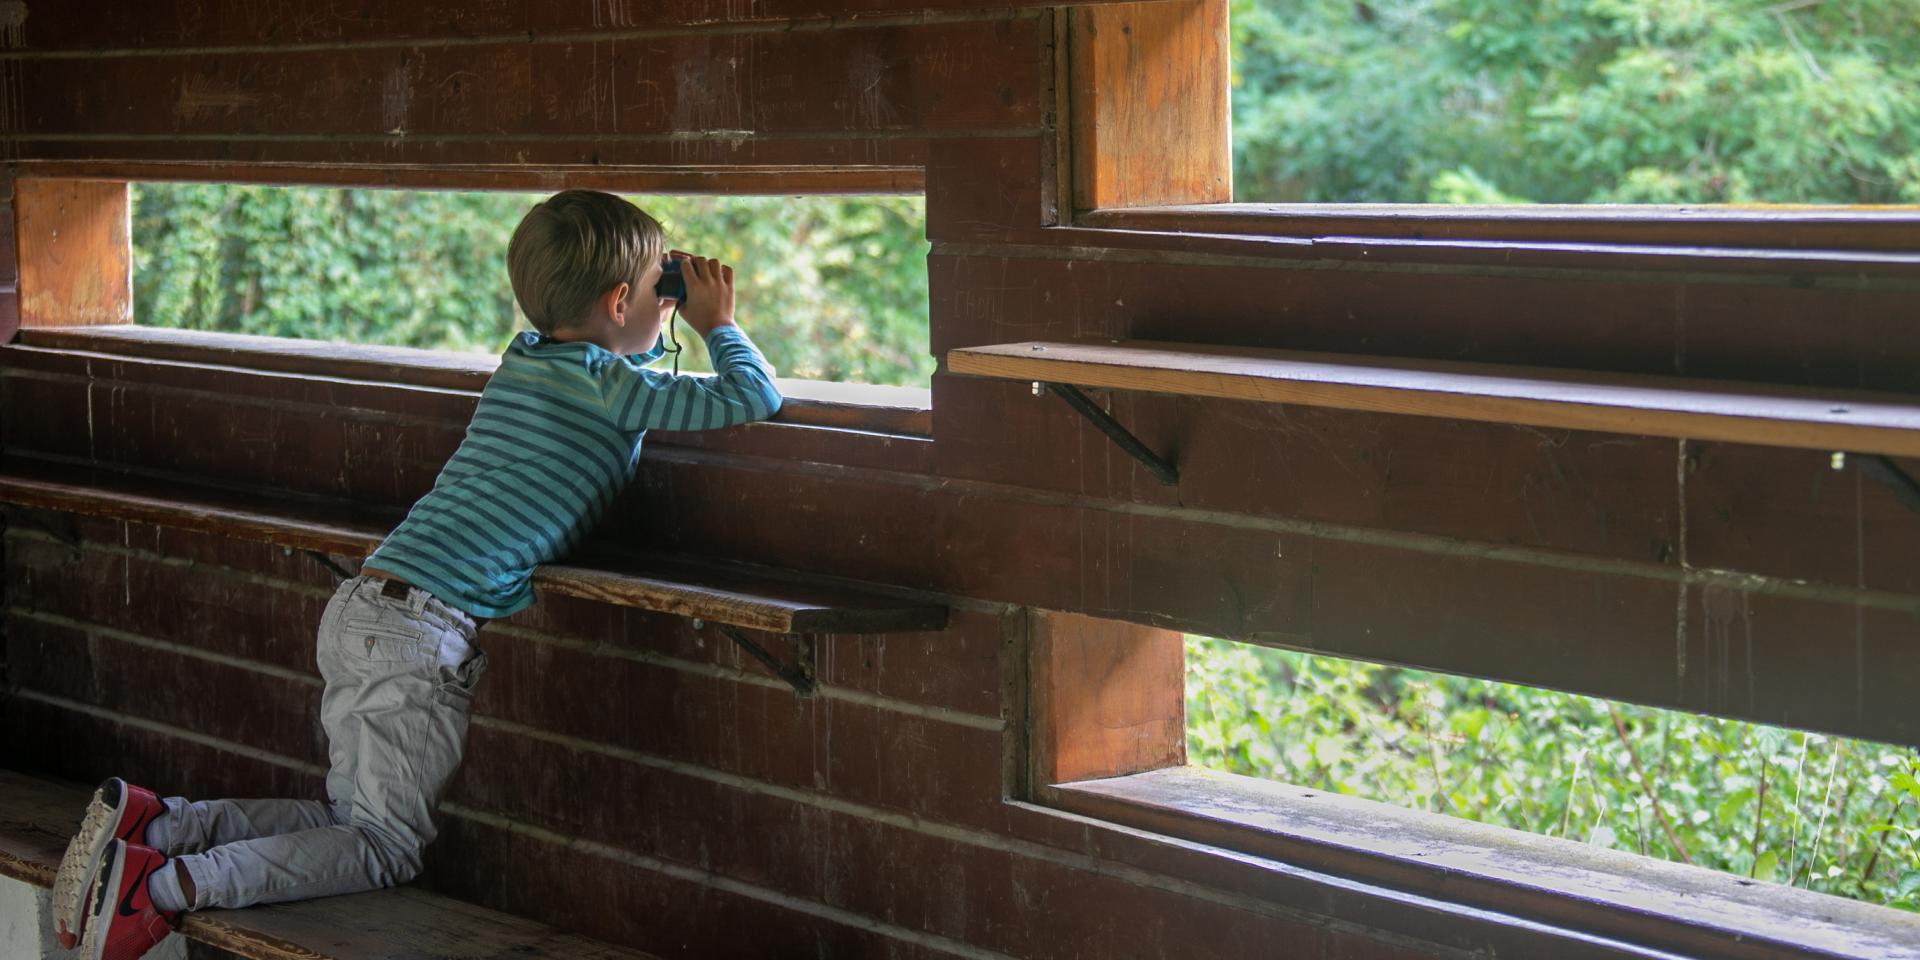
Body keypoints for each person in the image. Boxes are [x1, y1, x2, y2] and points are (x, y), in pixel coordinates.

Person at [51, 190, 784, 960]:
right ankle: (163, 889)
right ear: (620, 300)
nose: (668, 309)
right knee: (382, 848)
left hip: (369, 606)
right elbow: (753, 395)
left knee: (349, 816)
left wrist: (654, 311)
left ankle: (159, 826)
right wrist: (714, 323)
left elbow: (607, 367)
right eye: (659, 294)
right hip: (419, 634)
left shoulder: (527, 362)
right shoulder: (607, 383)